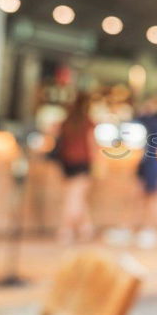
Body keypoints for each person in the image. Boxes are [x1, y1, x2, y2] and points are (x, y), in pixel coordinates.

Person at [54, 92, 96, 244]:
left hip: (67, 163)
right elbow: (92, 145)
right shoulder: (87, 122)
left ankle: (86, 228)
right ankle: (65, 230)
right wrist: (97, 163)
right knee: (74, 198)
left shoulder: (66, 121)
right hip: (82, 163)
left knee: (76, 197)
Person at [134, 94, 157, 248]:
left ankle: (152, 230)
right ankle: (143, 228)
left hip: (152, 162)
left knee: (154, 197)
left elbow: (140, 119)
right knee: (141, 197)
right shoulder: (148, 120)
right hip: (145, 161)